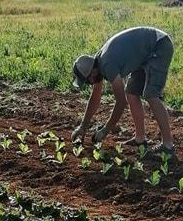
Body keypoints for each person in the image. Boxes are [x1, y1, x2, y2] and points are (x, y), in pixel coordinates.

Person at [71, 26, 175, 157]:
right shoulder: (98, 64)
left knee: (151, 95)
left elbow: (121, 103)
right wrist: (83, 126)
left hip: (158, 45)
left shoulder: (107, 64)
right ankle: (140, 139)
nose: (90, 83)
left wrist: (106, 130)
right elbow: (95, 98)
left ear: (93, 72)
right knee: (131, 92)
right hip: (144, 54)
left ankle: (168, 145)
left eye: (88, 81)